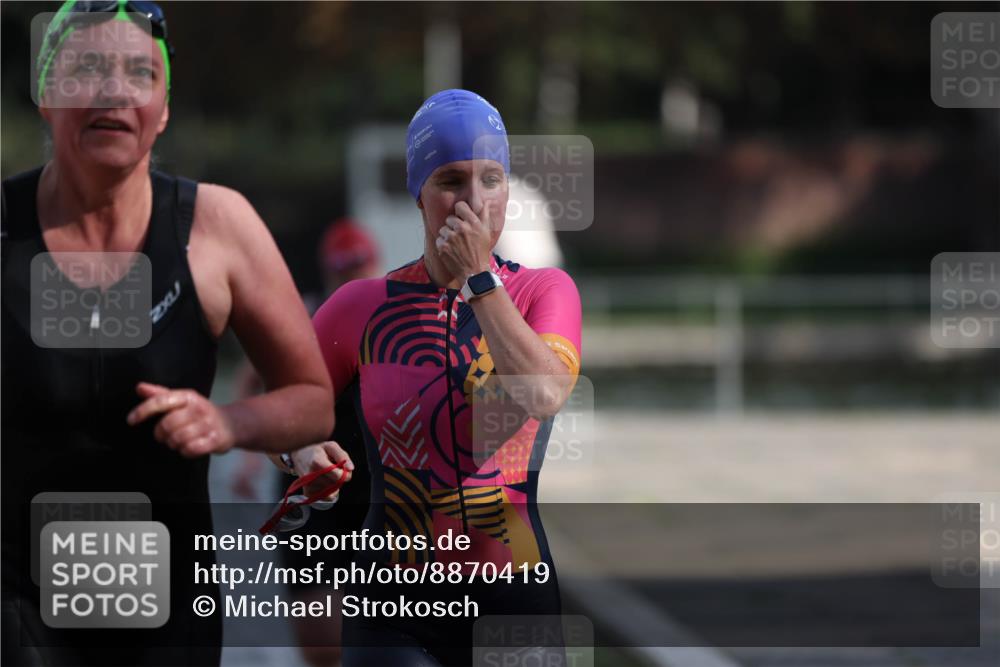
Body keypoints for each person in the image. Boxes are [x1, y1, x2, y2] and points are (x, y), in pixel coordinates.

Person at [1, 2, 339, 665]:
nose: (114, 90)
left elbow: (311, 398)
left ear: (162, 109)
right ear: (47, 94)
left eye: (138, 73)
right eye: (87, 69)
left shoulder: (216, 225)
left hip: (166, 609)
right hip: (18, 598)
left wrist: (229, 421)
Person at [294, 89, 582, 666]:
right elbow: (286, 412)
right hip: (392, 609)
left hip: (512, 603)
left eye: (492, 179)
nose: (474, 201)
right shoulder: (359, 307)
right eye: (451, 181)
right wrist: (299, 453)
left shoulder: (543, 292)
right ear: (418, 193)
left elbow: (544, 393)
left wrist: (479, 278)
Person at [230, 217, 381, 667]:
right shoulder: (307, 314)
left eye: (360, 267)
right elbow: (251, 379)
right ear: (328, 271)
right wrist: (250, 461)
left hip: (374, 483)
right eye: (343, 269)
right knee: (319, 643)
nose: (352, 277)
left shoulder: (396, 319)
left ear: (376, 263)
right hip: (309, 478)